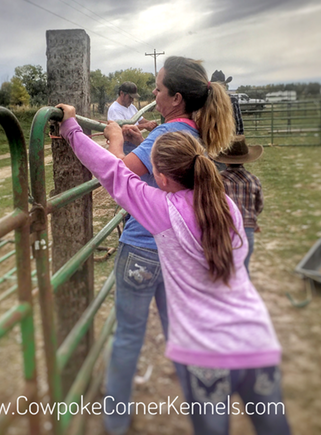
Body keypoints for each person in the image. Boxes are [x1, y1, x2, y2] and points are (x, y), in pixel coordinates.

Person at [56, 104, 291, 435]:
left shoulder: (163, 211)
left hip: (205, 353)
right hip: (256, 340)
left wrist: (71, 128)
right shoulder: (228, 208)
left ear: (162, 179)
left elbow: (112, 172)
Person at [100, 56, 236, 435]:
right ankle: (206, 417)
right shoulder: (191, 134)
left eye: (158, 90)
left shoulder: (165, 134)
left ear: (175, 97)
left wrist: (113, 138)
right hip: (176, 252)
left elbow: (119, 176)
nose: (154, 96)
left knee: (128, 335)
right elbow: (163, 170)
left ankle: (115, 423)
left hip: (142, 248)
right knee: (181, 335)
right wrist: (140, 142)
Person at [213, 135, 264, 276]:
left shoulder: (218, 180)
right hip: (246, 229)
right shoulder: (253, 180)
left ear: (226, 161)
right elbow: (259, 205)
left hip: (224, 228)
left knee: (224, 270)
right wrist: (252, 219)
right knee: (243, 268)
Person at [107, 82, 158, 154]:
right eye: (130, 97)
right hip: (124, 145)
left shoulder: (132, 107)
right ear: (122, 94)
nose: (132, 100)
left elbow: (141, 120)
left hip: (134, 142)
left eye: (133, 98)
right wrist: (145, 126)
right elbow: (123, 129)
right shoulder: (115, 109)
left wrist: (151, 124)